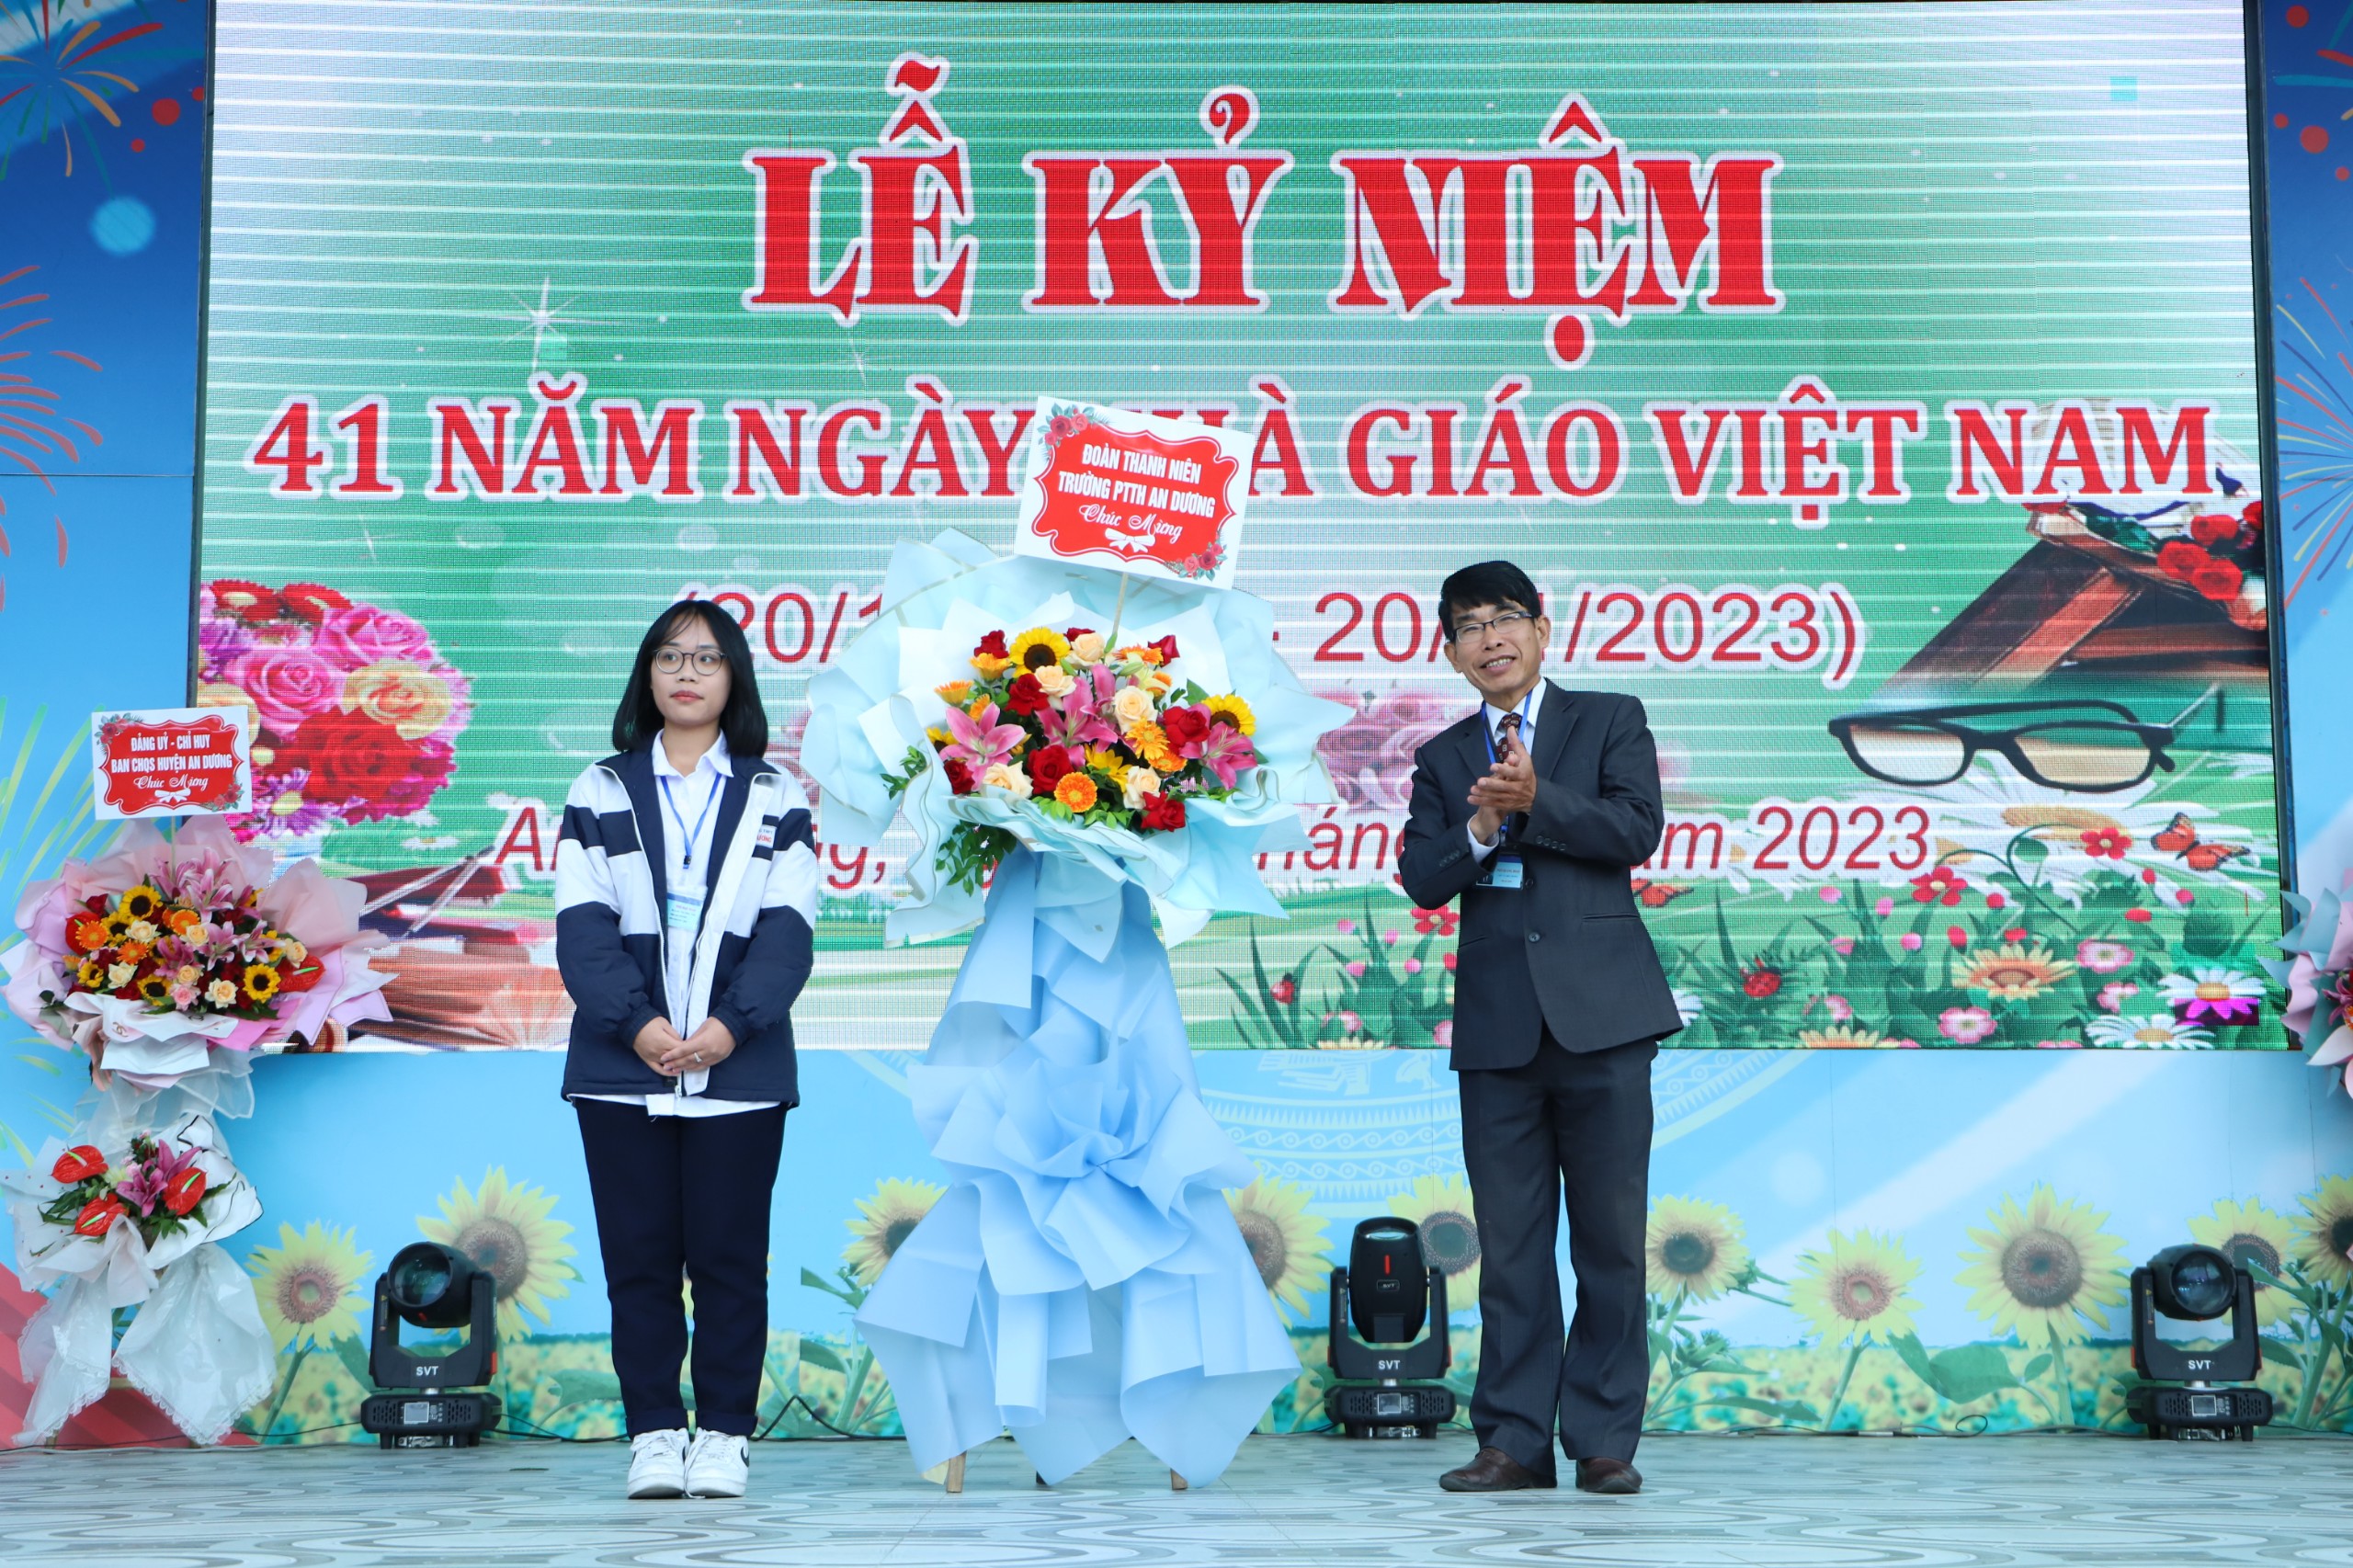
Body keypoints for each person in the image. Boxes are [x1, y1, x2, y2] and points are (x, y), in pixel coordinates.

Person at [1398, 560, 1682, 1496]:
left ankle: (1603, 1439)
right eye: (1469, 626)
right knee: (1512, 1249)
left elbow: (1634, 830)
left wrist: (1536, 801)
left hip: (1605, 1020)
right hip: (1498, 1032)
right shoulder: (1442, 757)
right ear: (1451, 651)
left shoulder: (1608, 718)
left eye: (1505, 617)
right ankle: (1514, 1442)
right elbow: (1423, 878)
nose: (1491, 638)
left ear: (1541, 628)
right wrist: (1482, 827)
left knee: (1610, 1241)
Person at [554, 600, 817, 1500]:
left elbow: (789, 934)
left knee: (729, 1262)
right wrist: (638, 1025)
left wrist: (728, 1028)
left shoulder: (777, 795)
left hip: (739, 1069)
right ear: (647, 675)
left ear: (734, 675)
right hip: (620, 1069)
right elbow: (582, 929)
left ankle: (726, 1436)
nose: (687, 673)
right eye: (670, 657)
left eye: (706, 658)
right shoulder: (600, 789)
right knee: (638, 1263)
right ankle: (656, 1435)